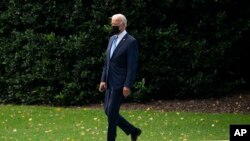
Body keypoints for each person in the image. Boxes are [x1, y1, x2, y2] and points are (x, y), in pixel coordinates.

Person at [99, 13, 142, 141]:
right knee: (108, 111)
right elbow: (108, 62)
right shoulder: (112, 39)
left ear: (123, 24)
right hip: (108, 82)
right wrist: (102, 80)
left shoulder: (131, 42)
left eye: (115, 24)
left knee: (112, 113)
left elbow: (132, 66)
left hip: (120, 83)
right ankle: (133, 130)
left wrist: (127, 85)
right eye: (112, 24)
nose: (113, 26)